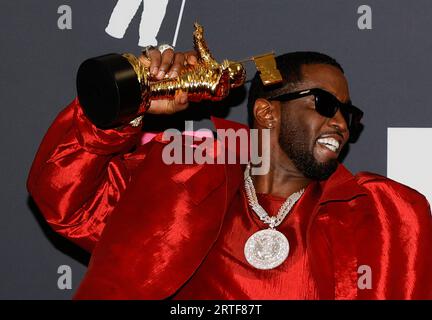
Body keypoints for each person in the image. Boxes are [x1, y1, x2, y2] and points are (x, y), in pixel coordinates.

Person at [27, 47, 432, 299]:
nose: (341, 124)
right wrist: (133, 97)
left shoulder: (382, 217)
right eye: (324, 104)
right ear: (266, 111)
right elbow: (65, 194)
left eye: (349, 113)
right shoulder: (180, 182)